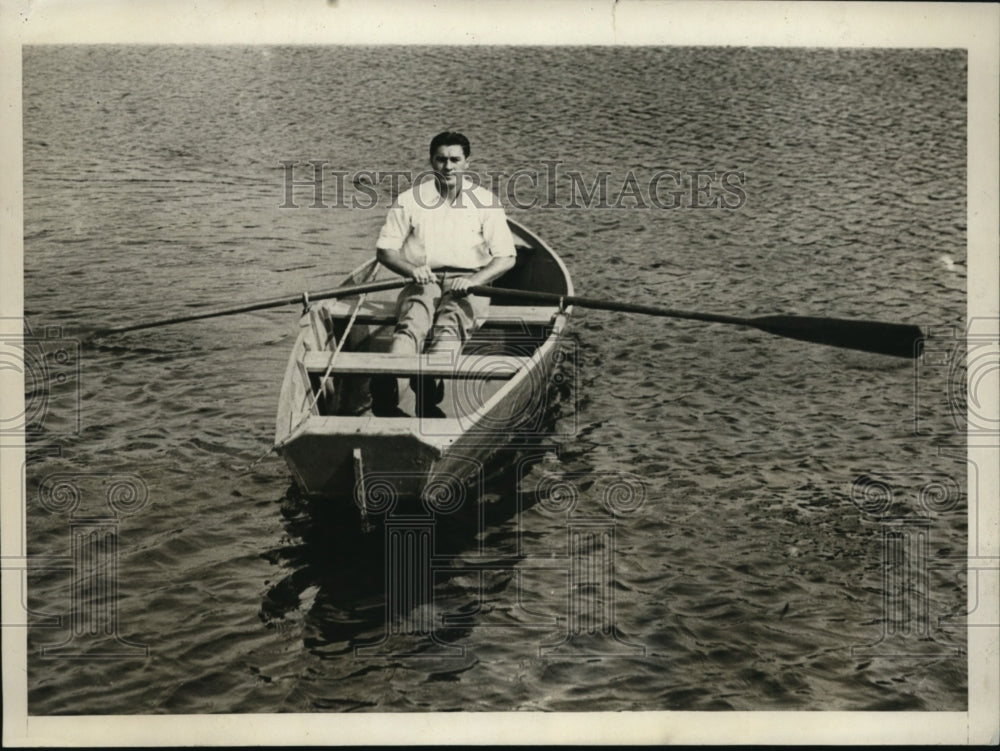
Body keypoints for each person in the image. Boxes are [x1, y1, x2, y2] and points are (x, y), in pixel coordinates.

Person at [366, 131, 517, 417]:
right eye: (441, 160)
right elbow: (385, 251)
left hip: (469, 281)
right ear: (431, 161)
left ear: (467, 163)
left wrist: (474, 281)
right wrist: (413, 271)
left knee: (450, 323)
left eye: (455, 160)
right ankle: (388, 377)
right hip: (425, 278)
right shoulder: (410, 199)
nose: (448, 167)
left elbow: (506, 258)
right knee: (412, 321)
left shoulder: (486, 201)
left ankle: (428, 378)